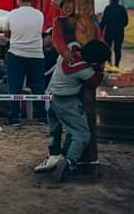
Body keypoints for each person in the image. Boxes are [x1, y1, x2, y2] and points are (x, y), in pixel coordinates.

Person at [34, 39, 109, 183]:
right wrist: (100, 69)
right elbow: (94, 82)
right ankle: (70, 162)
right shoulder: (84, 70)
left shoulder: (68, 52)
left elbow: (71, 42)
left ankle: (55, 155)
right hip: (66, 101)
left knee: (57, 131)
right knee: (82, 133)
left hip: (52, 97)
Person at [4, 0, 46, 127]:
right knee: (38, 87)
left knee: (14, 87)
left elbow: (6, 34)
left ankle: (14, 117)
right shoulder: (39, 14)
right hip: (36, 54)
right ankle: (41, 117)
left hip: (16, 54)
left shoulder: (11, 15)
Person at [99, 0, 128, 67]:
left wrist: (100, 31)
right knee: (117, 49)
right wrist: (120, 26)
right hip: (119, 32)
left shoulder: (108, 8)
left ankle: (109, 64)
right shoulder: (122, 8)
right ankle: (117, 65)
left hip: (109, 31)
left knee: (108, 49)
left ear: (111, 0)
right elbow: (126, 22)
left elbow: (103, 21)